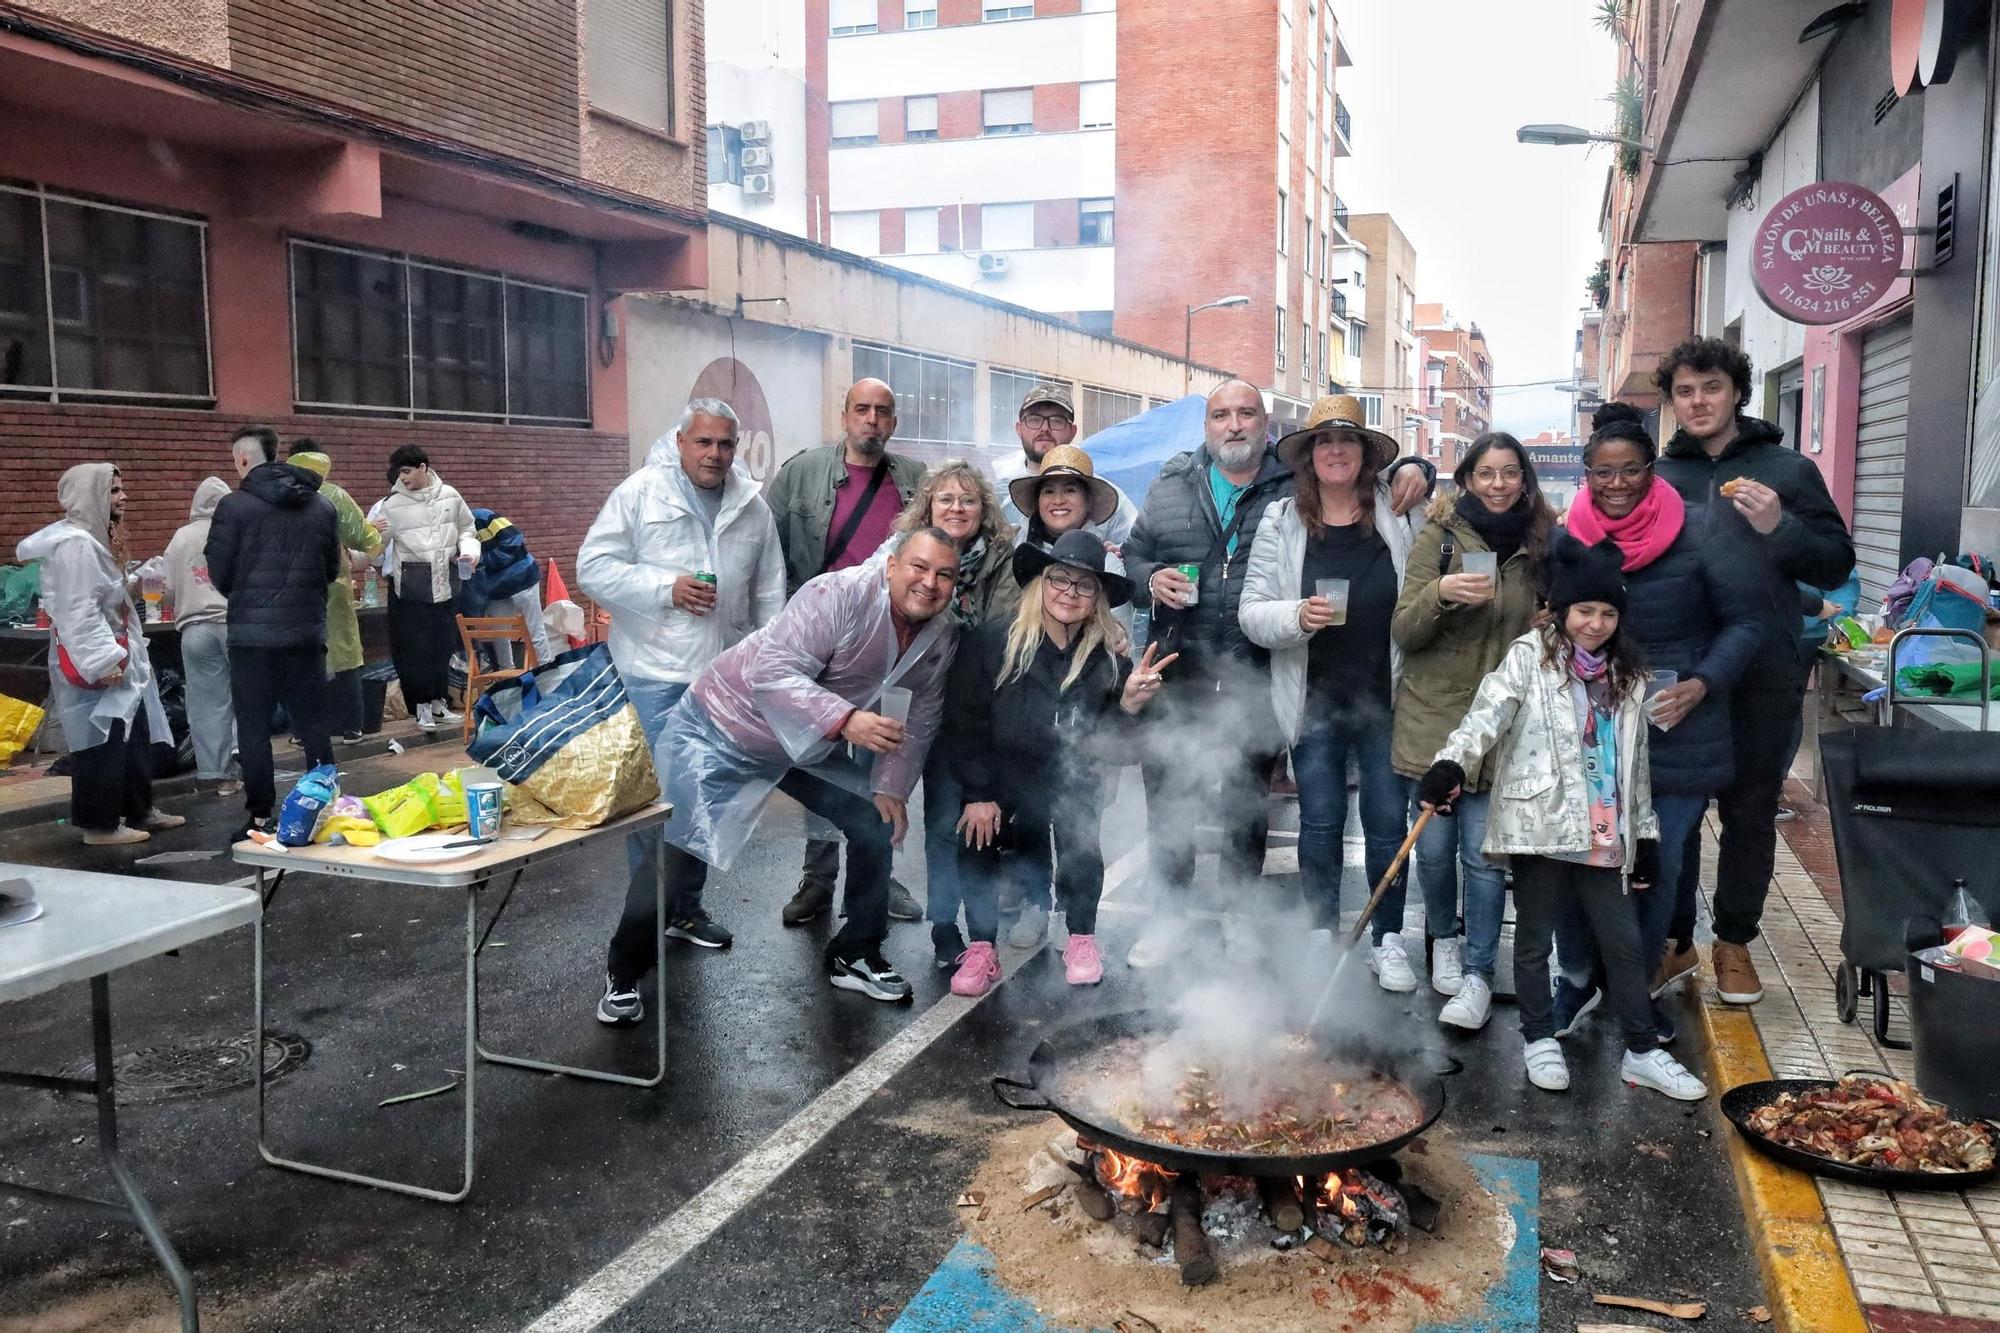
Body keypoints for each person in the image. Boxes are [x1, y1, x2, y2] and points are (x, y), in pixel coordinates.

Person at [596, 529, 963, 1021]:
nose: (929, 583)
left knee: (873, 821)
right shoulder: (837, 595)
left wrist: (891, 786)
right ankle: (624, 970)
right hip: (725, 725)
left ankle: (856, 952)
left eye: (944, 574)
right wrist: (846, 720)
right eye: (919, 567)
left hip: (805, 742)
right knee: (678, 851)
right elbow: (771, 670)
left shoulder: (940, 635)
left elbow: (919, 717)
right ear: (892, 565)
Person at [1418, 534, 1705, 1101]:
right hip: (1539, 822)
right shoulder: (1530, 656)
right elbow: (1487, 714)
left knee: (1622, 943)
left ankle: (1642, 1051)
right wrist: (1450, 762)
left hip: (1604, 832)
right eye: (1584, 610)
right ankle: (1537, 1037)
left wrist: (1644, 834)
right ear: (1563, 610)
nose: (1594, 623)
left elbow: (1636, 766)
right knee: (1532, 938)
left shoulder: (1627, 676)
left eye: (1606, 612)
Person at [1651, 338, 1855, 1004]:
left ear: (1737, 390)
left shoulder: (1787, 470)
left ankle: (1733, 942)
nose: (1699, 401)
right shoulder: (1661, 477)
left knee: (1748, 815)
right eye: (1685, 391)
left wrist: (1781, 526)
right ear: (1674, 401)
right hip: (1680, 676)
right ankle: (1675, 942)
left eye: (1710, 386)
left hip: (1764, 670)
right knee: (1672, 813)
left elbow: (1835, 563)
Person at [1551, 402, 1762, 1045]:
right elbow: (1554, 622)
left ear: (1652, 469)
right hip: (1593, 731)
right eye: (1603, 472)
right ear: (1585, 471)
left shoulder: (1703, 530)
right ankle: (1577, 977)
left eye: (1630, 471)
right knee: (1579, 862)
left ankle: (1634, 991)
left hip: (1678, 731)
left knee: (1655, 867)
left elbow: (1747, 624)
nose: (1616, 484)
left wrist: (1702, 683)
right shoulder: (1572, 538)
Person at [580, 398, 786, 953]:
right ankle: (644, 920)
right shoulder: (641, 493)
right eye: (704, 442)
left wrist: (763, 667)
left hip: (722, 682)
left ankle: (686, 908)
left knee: (704, 800)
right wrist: (664, 589)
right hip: (652, 675)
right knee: (657, 802)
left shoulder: (751, 505)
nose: (715, 454)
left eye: (725, 444)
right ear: (680, 441)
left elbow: (769, 592)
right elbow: (592, 568)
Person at [1240, 394, 1420, 989]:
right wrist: (1298, 616)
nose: (1336, 450)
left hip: (1385, 698)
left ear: (1366, 455)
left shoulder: (1399, 512)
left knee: (1388, 822)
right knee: (1319, 822)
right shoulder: (1281, 520)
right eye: (1324, 442)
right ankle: (1320, 932)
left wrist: (1421, 466)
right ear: (1308, 457)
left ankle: (1388, 937)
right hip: (1312, 700)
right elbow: (1251, 613)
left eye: (1347, 441)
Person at [946, 532, 1171, 995]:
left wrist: (1128, 705)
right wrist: (978, 793)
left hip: (1072, 777)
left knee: (1082, 846)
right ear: (1041, 584)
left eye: (1085, 585)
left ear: (1098, 599)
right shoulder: (994, 640)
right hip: (1001, 776)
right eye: (1060, 580)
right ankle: (983, 947)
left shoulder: (1108, 658)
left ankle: (1082, 939)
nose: (1070, 593)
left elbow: (1118, 746)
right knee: (976, 839)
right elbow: (965, 721)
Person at [1120, 379, 1297, 968]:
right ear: (1207, 427)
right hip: (1180, 674)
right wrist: (1151, 581)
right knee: (1170, 804)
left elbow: (1366, 484)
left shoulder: (1295, 486)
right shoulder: (1172, 484)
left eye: (1246, 413)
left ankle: (1240, 918)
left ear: (1265, 424)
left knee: (1246, 808)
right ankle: (1168, 918)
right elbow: (1137, 552)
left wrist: (1418, 469)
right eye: (1221, 415)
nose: (1234, 425)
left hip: (1256, 674)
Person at [1389, 433, 1552, 1025]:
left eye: (1511, 472)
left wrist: (1549, 621)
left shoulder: (1541, 543)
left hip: (1502, 726)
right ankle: (1443, 941)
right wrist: (1441, 593)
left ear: (1525, 479)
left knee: (1485, 859)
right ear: (1467, 479)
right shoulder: (1438, 538)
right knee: (1433, 850)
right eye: (1487, 473)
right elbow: (1405, 630)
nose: (1500, 484)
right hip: (1435, 717)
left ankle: (1481, 973)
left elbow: (1564, 625)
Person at [764, 379, 929, 927]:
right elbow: (771, 554)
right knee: (824, 765)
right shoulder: (801, 473)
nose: (872, 421)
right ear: (845, 415)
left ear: (894, 422)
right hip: (824, 650)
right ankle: (818, 879)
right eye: (862, 410)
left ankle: (878, 875)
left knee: (881, 764)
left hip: (893, 647)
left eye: (883, 412)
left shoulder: (913, 481)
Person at [861, 461, 1021, 969]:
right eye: (946, 498)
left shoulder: (1003, 559)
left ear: (983, 511)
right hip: (911, 703)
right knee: (910, 818)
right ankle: (934, 924)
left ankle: (970, 925)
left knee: (967, 821)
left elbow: (1006, 630)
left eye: (968, 500)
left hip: (976, 711)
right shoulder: (898, 552)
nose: (957, 508)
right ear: (928, 505)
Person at [17, 464, 182, 845]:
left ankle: (139, 808)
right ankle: (100, 824)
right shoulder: (75, 545)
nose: (123, 497)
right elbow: (77, 609)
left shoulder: (93, 541)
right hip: (100, 660)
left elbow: (105, 594)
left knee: (134, 734)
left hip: (120, 655)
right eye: (114, 490)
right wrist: (104, 660)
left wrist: (138, 580)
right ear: (90, 495)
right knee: (99, 743)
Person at [207, 427, 342, 835]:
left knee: (253, 729)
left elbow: (220, 572)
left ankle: (261, 815)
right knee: (313, 725)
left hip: (252, 637)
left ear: (244, 459)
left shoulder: (234, 506)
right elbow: (331, 569)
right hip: (305, 631)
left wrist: (248, 594)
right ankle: (325, 807)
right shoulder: (320, 506)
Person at [372, 445, 476, 733]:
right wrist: (357, 549)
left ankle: (439, 702)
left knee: (441, 646)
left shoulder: (451, 496)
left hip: (445, 583)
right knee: (413, 650)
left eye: (406, 471)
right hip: (410, 589)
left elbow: (468, 528)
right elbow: (374, 547)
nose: (402, 478)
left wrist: (469, 551)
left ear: (423, 467)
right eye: (398, 473)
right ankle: (420, 708)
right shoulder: (391, 506)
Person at [287, 441, 382, 744]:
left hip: (292, 588)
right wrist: (374, 536)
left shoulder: (279, 497)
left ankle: (304, 731)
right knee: (345, 652)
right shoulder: (335, 496)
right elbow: (365, 537)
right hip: (334, 585)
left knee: (301, 655)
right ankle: (352, 727)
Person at [160, 476, 239, 794]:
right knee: (244, 697)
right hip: (235, 624)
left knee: (207, 703)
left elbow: (165, 591)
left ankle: (217, 775)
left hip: (194, 629)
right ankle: (241, 757)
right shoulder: (236, 531)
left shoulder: (180, 538)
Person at [993, 383, 1139, 549]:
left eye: (1057, 421)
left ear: (1072, 431)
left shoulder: (1111, 500)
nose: (1045, 428)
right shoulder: (997, 498)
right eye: (1034, 420)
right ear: (1019, 429)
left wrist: (1117, 558)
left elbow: (1135, 552)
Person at [460, 508, 551, 670]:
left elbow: (514, 539)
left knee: (534, 630)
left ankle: (546, 674)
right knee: (500, 635)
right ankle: (507, 679)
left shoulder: (482, 517)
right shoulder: (454, 534)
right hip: (496, 590)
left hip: (522, 578)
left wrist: (481, 559)